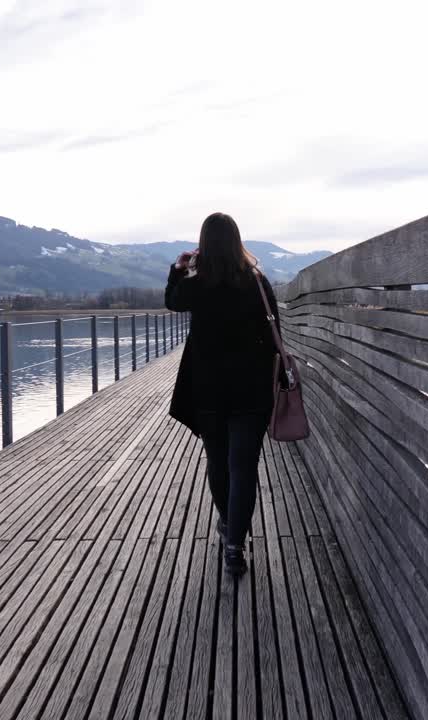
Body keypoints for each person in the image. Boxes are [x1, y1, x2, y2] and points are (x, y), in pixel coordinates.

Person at [165, 212, 280, 578]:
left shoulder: (198, 285)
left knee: (217, 460)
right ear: (237, 240)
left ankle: (229, 524)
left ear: (204, 245)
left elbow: (172, 301)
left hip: (209, 389)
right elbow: (276, 325)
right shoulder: (257, 281)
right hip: (252, 389)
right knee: (243, 466)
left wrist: (179, 268)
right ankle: (234, 546)